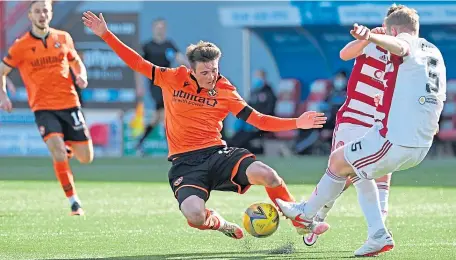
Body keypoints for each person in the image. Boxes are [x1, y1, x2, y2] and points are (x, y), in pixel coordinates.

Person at [82, 11, 328, 239]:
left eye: (215, 70)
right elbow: (137, 62)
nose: (212, 77)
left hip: (217, 154)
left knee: (267, 174)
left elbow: (258, 120)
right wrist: (105, 34)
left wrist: (298, 122)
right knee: (195, 215)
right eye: (205, 72)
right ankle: (219, 222)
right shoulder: (173, 78)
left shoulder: (225, 89)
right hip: (185, 164)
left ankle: (299, 221)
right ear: (191, 70)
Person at [277, 6, 446, 257]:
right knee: (350, 166)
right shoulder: (431, 51)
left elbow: (401, 46)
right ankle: (318, 216)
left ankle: (315, 216)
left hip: (393, 134)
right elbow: (347, 54)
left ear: (395, 30)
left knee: (350, 169)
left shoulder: (401, 44)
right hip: (388, 129)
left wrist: (374, 36)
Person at [303, 4, 404, 247]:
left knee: (381, 177)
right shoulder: (374, 39)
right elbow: (345, 55)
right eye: (391, 25)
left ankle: (378, 230)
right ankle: (316, 218)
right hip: (354, 117)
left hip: (380, 123)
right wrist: (365, 38)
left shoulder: (405, 52)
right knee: (342, 172)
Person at [0, 0, 93, 216]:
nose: (42, 14)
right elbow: (2, 71)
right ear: (30, 16)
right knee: (57, 150)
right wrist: (3, 96)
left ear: (50, 14)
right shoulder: (21, 45)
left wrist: (81, 75)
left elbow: (76, 61)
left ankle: (64, 150)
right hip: (43, 108)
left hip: (70, 104)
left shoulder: (63, 38)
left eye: (46, 10)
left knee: (86, 157)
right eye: (37, 11)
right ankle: (74, 202)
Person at [135, 18, 189, 154]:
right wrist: (139, 85)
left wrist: (192, 67)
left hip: (168, 83)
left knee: (157, 117)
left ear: (165, 29)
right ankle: (173, 147)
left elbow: (179, 58)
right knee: (165, 114)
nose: (160, 29)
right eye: (157, 27)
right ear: (153, 29)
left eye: (162, 27)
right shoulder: (147, 46)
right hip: (154, 83)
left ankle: (140, 143)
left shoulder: (169, 44)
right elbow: (138, 66)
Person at [227, 69, 277, 153]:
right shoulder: (254, 92)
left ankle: (235, 148)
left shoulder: (269, 92)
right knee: (240, 133)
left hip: (262, 123)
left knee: (246, 135)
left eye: (259, 77)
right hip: (251, 123)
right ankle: (230, 146)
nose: (256, 79)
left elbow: (270, 110)